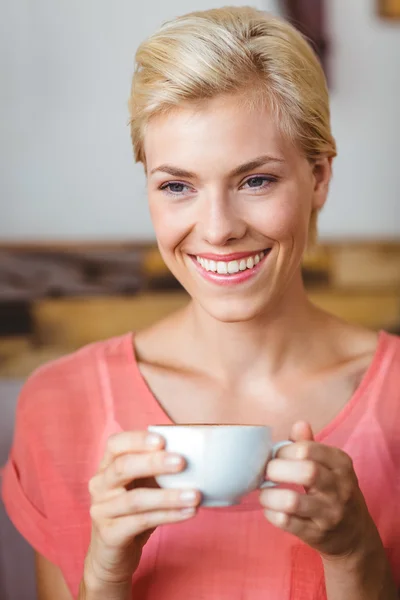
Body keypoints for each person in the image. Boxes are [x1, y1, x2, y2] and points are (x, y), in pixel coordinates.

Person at [2, 6, 400, 599]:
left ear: (318, 176)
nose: (216, 230)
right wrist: (105, 574)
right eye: (177, 186)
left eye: (255, 180)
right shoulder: (60, 406)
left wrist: (356, 557)